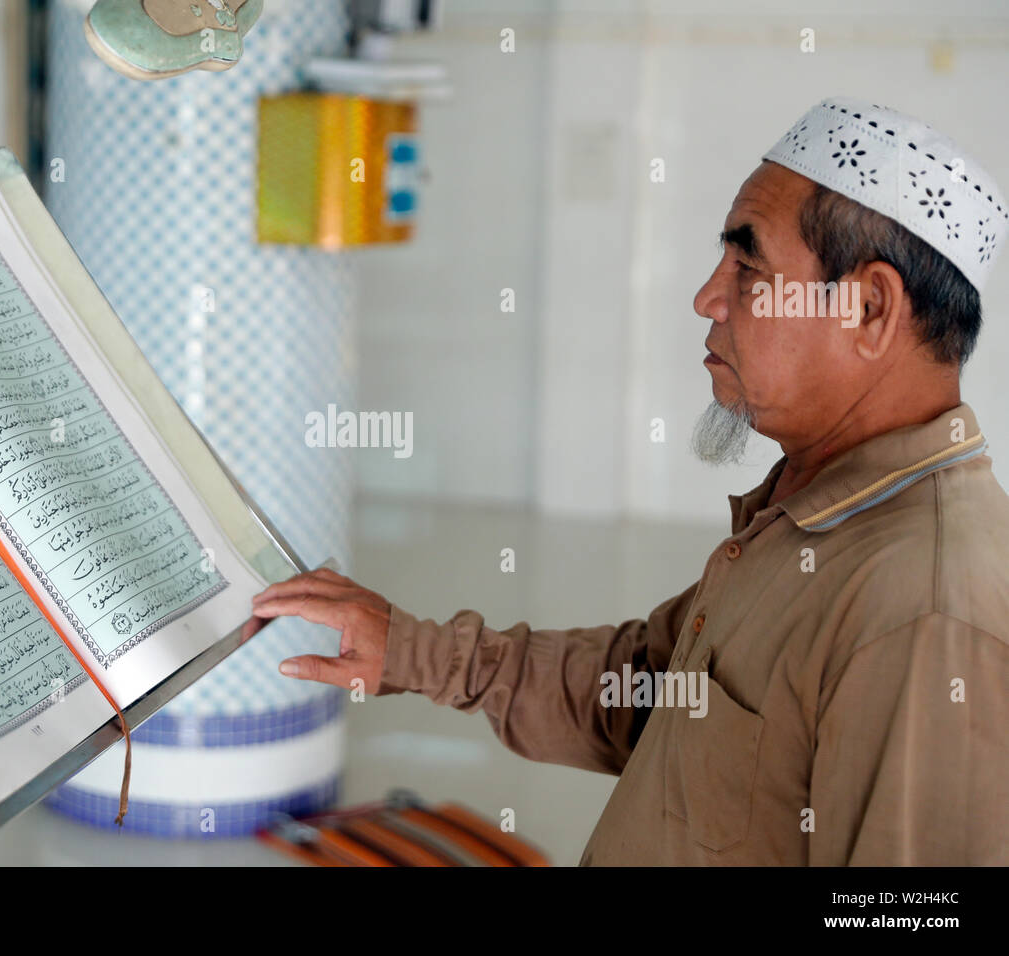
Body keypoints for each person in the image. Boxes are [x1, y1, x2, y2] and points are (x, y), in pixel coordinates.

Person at [242, 96, 1009, 865]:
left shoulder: (927, 610)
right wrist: (411, 650)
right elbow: (647, 694)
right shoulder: (815, 517)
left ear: (869, 309)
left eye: (748, 266)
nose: (708, 298)